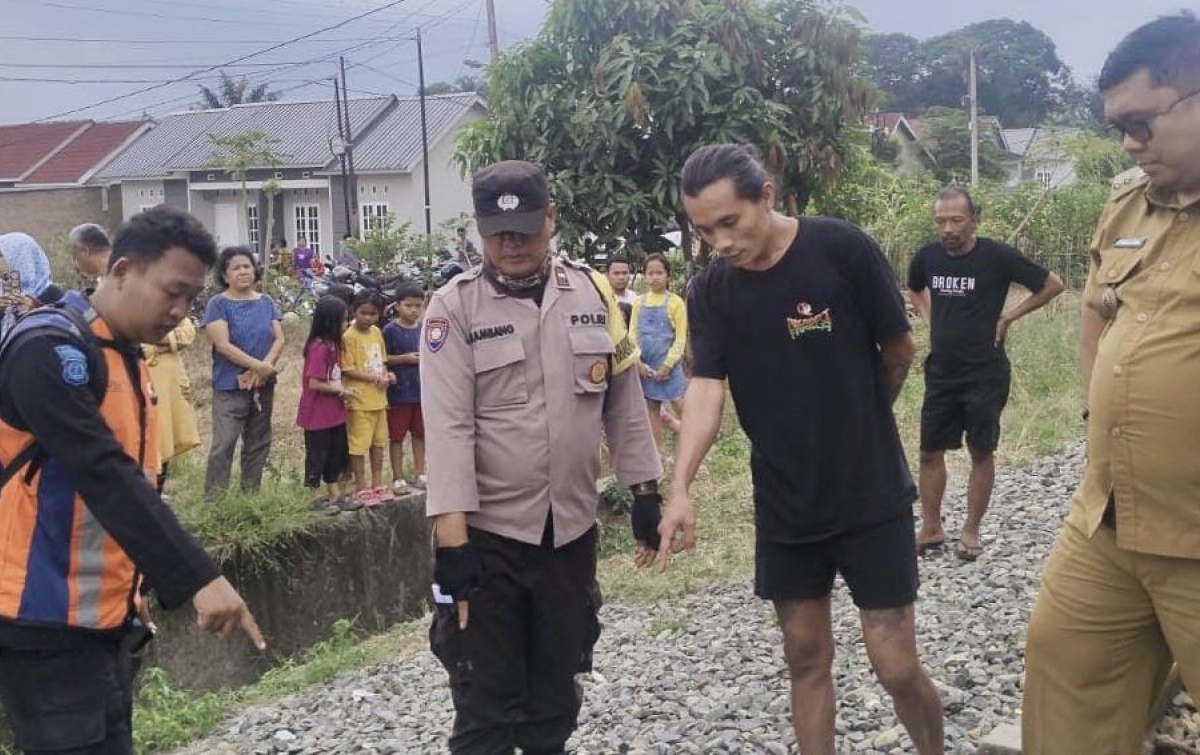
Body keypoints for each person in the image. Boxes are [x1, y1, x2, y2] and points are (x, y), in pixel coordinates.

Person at [659, 144, 944, 755]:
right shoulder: (713, 291)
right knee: (805, 655)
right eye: (703, 230)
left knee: (894, 663)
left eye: (728, 223)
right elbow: (708, 387)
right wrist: (680, 487)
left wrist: (858, 422)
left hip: (870, 493)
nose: (719, 242)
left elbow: (898, 349)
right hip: (787, 503)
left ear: (766, 196)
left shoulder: (840, 248)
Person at [0, 206, 264, 755]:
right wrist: (196, 576)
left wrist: (133, 582)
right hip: (40, 620)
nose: (180, 310)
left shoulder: (124, 355)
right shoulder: (48, 351)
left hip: (101, 620)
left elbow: (131, 489)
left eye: (192, 298)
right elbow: (103, 473)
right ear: (120, 270)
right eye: (172, 292)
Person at [422, 160, 662, 754]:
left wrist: (645, 493)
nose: (511, 244)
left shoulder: (593, 291)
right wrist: (451, 547)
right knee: (486, 703)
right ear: (479, 230)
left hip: (570, 533)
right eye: (497, 233)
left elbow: (624, 400)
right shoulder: (453, 309)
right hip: (487, 540)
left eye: (526, 230)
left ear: (550, 220)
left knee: (556, 695)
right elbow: (448, 428)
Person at [1022, 13, 1200, 754]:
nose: (1129, 142)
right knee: (1066, 672)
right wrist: (1108, 411)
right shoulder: (1128, 201)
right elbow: (1099, 314)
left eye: (1141, 122)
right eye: (1118, 126)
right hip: (1110, 519)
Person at [907, 187, 1064, 560]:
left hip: (985, 371)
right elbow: (914, 289)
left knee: (981, 450)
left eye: (956, 220)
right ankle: (930, 528)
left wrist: (1008, 316)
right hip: (942, 372)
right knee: (930, 451)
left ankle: (971, 532)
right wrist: (931, 320)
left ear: (974, 220)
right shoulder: (927, 258)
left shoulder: (996, 256)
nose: (948, 228)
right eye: (941, 221)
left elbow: (1052, 285)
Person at [201, 246, 285, 499]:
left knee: (258, 442)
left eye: (247, 266)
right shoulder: (218, 304)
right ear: (225, 275)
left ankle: (250, 497)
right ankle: (214, 503)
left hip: (263, 384)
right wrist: (256, 366)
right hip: (230, 385)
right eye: (236, 268)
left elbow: (279, 339)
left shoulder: (266, 301)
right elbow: (223, 345)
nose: (243, 272)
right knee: (224, 443)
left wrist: (264, 369)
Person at [297, 296, 361, 514]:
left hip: (335, 412)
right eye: (344, 320)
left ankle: (334, 493)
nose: (347, 324)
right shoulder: (319, 348)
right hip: (317, 414)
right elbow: (315, 382)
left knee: (337, 454)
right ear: (330, 322)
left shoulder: (335, 346)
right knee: (317, 455)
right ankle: (313, 496)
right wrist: (341, 390)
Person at [341, 288, 396, 507]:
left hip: (379, 399)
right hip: (359, 401)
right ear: (354, 311)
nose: (368, 318)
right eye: (363, 312)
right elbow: (348, 369)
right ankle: (361, 486)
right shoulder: (348, 336)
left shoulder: (377, 333)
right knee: (358, 445)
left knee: (379, 443)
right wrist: (374, 377)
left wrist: (386, 375)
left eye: (373, 314)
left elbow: (381, 361)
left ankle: (377, 482)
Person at [630, 253, 687, 452]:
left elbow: (680, 339)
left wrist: (667, 364)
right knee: (652, 408)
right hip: (647, 368)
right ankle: (658, 453)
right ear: (644, 276)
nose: (655, 277)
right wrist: (637, 361)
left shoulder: (676, 303)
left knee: (681, 407)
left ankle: (692, 450)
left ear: (668, 276)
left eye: (660, 272)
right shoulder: (638, 303)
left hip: (670, 369)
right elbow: (632, 335)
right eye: (650, 273)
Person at [143, 317, 200, 493]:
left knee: (165, 436)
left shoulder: (167, 305)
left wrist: (153, 340)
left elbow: (188, 333)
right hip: (142, 380)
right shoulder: (130, 304)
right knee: (145, 439)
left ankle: (156, 495)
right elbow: (136, 344)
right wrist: (166, 342)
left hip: (169, 387)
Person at [384, 283, 427, 492]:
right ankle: (398, 476)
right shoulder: (390, 331)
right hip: (399, 392)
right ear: (398, 306)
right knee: (397, 436)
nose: (414, 310)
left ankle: (421, 472)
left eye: (418, 306)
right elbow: (382, 359)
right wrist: (404, 359)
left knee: (420, 434)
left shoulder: (425, 328)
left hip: (421, 393)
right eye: (409, 305)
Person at [0, 232, 63, 338]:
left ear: (21, 256)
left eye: (2, 255)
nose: (1, 263)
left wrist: (35, 309)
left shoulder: (53, 293)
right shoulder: (5, 293)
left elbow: (66, 329)